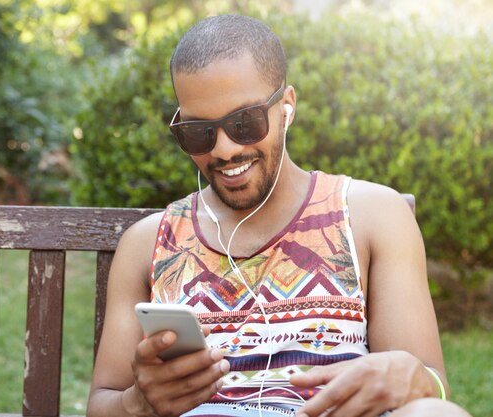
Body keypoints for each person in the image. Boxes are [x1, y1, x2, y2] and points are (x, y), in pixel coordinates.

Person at [87, 14, 472, 417]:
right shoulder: (149, 242)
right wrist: (139, 403)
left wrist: (417, 378)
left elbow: (430, 387)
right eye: (199, 132)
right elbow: (102, 404)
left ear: (286, 107)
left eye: (244, 123)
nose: (223, 150)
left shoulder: (372, 216)